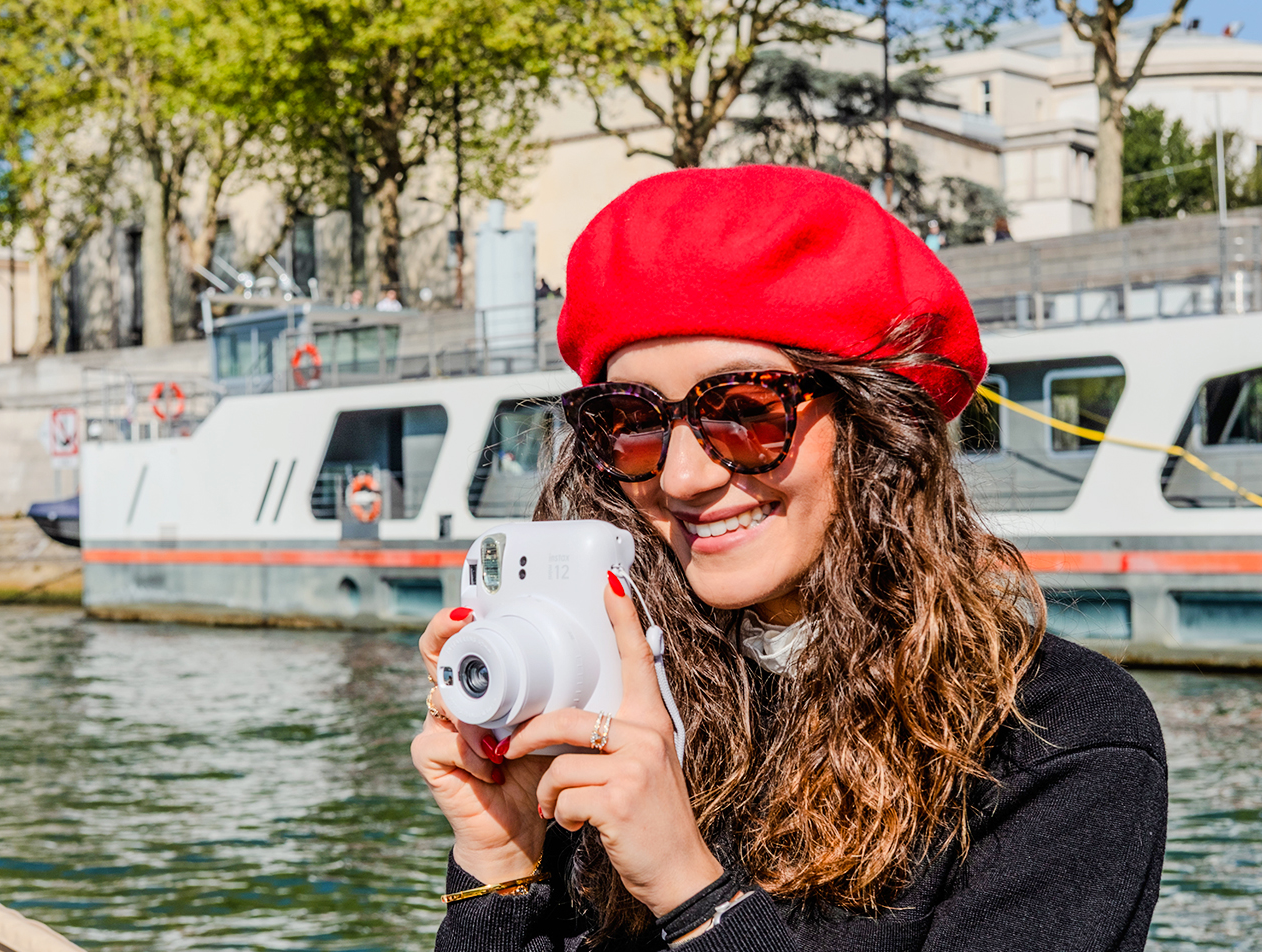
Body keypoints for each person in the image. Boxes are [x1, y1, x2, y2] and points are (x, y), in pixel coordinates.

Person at [412, 166, 1166, 951]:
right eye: (631, 421)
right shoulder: (603, 706)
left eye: (742, 411)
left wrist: (690, 891)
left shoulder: (1060, 735)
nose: (682, 477)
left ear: (877, 427)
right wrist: (498, 870)